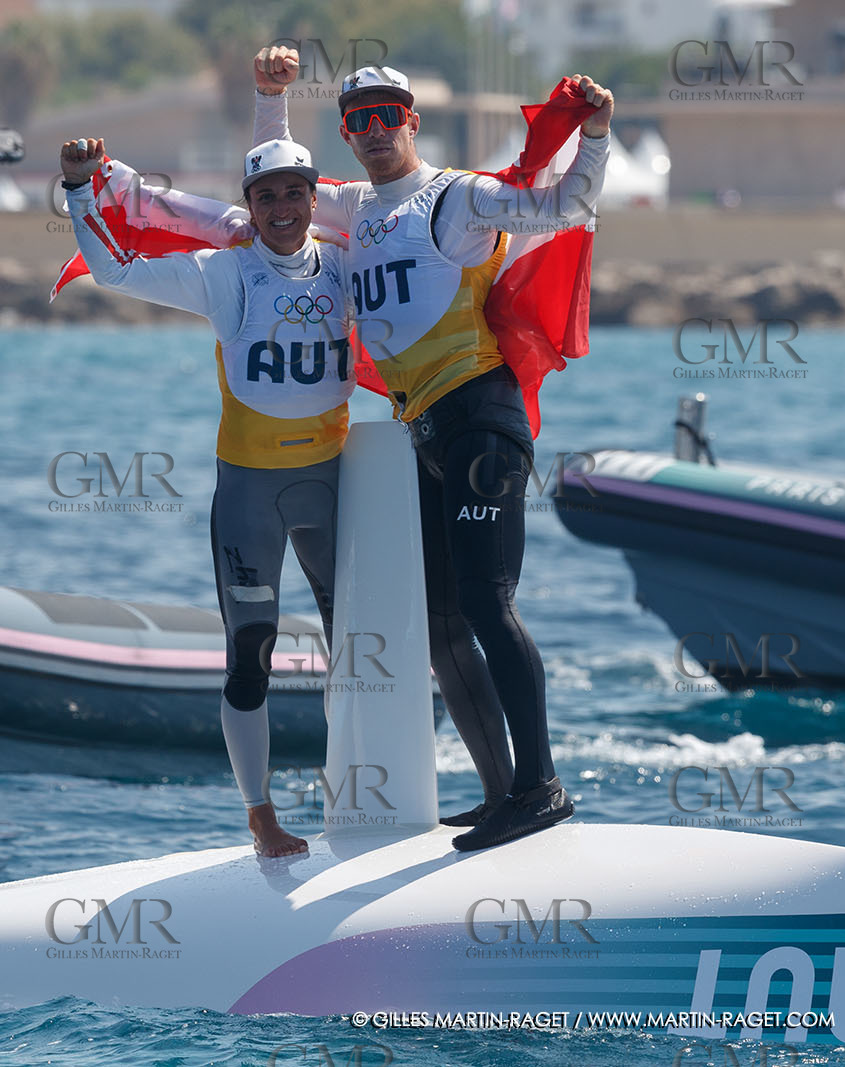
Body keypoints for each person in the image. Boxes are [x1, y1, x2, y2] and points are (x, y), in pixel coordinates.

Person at [253, 46, 614, 851]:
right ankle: (501, 793)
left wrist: (594, 134)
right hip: (426, 436)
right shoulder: (348, 208)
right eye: (358, 120)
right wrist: (270, 97)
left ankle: (542, 785)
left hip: (482, 419)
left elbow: (563, 204)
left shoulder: (456, 198)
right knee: (443, 622)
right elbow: (272, 189)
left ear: (413, 122)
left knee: (489, 602)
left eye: (389, 115)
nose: (375, 130)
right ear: (346, 133)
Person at [60, 134, 352, 858]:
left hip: (334, 486)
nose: (281, 208)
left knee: (360, 648)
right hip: (251, 495)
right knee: (252, 649)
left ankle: (359, 796)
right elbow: (114, 271)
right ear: (247, 209)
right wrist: (77, 190)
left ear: (315, 200)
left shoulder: (351, 266)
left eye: (293, 192)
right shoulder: (224, 274)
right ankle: (261, 816)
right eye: (265, 196)